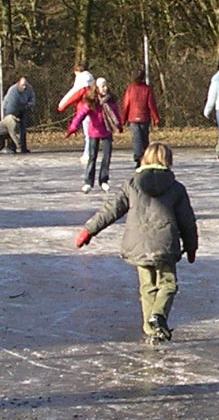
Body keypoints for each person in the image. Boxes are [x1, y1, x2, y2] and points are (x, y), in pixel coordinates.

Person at [74, 140, 199, 345]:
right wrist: (191, 246)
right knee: (168, 284)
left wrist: (89, 230)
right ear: (168, 161)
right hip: (164, 243)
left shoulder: (131, 185)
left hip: (138, 244)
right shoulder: (176, 188)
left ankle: (151, 329)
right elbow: (187, 221)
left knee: (147, 286)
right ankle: (158, 315)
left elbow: (111, 210)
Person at [65, 79, 122, 192]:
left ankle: (104, 180)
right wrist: (72, 127)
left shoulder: (110, 101)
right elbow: (80, 115)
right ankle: (88, 182)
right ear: (97, 88)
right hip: (94, 132)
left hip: (107, 130)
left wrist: (119, 125)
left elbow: (116, 115)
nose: (105, 88)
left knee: (107, 156)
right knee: (92, 157)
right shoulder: (91, 102)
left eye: (106, 86)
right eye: (102, 86)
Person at [118, 68, 160, 167]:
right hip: (144, 117)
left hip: (133, 117)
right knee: (144, 138)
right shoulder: (147, 89)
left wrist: (122, 120)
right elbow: (151, 105)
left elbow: (126, 105)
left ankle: (138, 157)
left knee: (136, 138)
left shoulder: (130, 88)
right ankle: (144, 157)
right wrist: (155, 118)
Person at [0, 75, 36, 154]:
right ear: (18, 84)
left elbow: (32, 100)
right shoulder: (13, 92)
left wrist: (28, 105)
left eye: (25, 85)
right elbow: (11, 106)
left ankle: (23, 148)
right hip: (11, 111)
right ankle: (11, 147)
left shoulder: (29, 89)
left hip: (23, 109)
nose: (24, 87)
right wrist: (18, 144)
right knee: (12, 129)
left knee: (22, 129)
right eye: (22, 85)